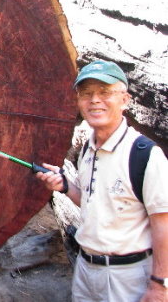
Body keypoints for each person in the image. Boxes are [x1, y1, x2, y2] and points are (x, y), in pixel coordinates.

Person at [36, 60, 168, 302]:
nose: (95, 100)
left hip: (128, 277)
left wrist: (160, 284)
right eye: (86, 94)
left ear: (125, 99)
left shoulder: (144, 155)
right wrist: (65, 186)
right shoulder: (87, 150)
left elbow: (164, 223)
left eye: (105, 92)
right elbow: (91, 202)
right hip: (86, 270)